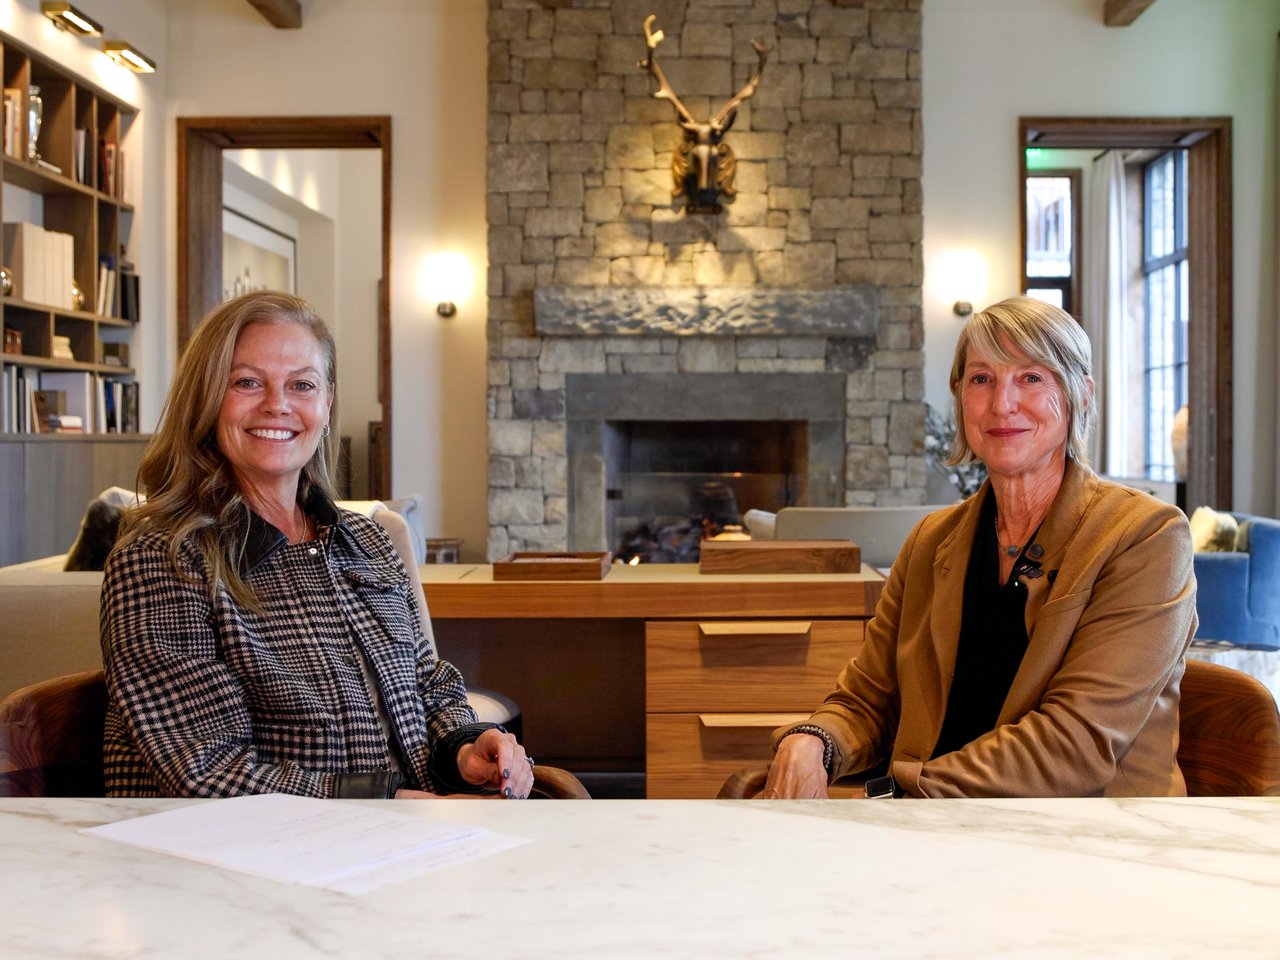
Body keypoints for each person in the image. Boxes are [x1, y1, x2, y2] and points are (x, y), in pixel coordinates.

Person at [101, 291, 534, 800]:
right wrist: (385, 803)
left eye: (301, 385)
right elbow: (205, 770)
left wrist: (464, 749)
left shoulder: (366, 540)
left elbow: (426, 683)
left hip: (408, 831)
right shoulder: (161, 559)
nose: (277, 404)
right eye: (247, 382)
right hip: (246, 847)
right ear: (206, 399)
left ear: (327, 402)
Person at [763, 295, 1197, 799]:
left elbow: (1075, 744)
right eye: (981, 379)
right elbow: (869, 700)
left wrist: (900, 792)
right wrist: (813, 741)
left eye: (1031, 377)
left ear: (1081, 393)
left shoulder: (1146, 536)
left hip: (1087, 831)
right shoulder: (931, 540)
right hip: (932, 819)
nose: (1001, 404)